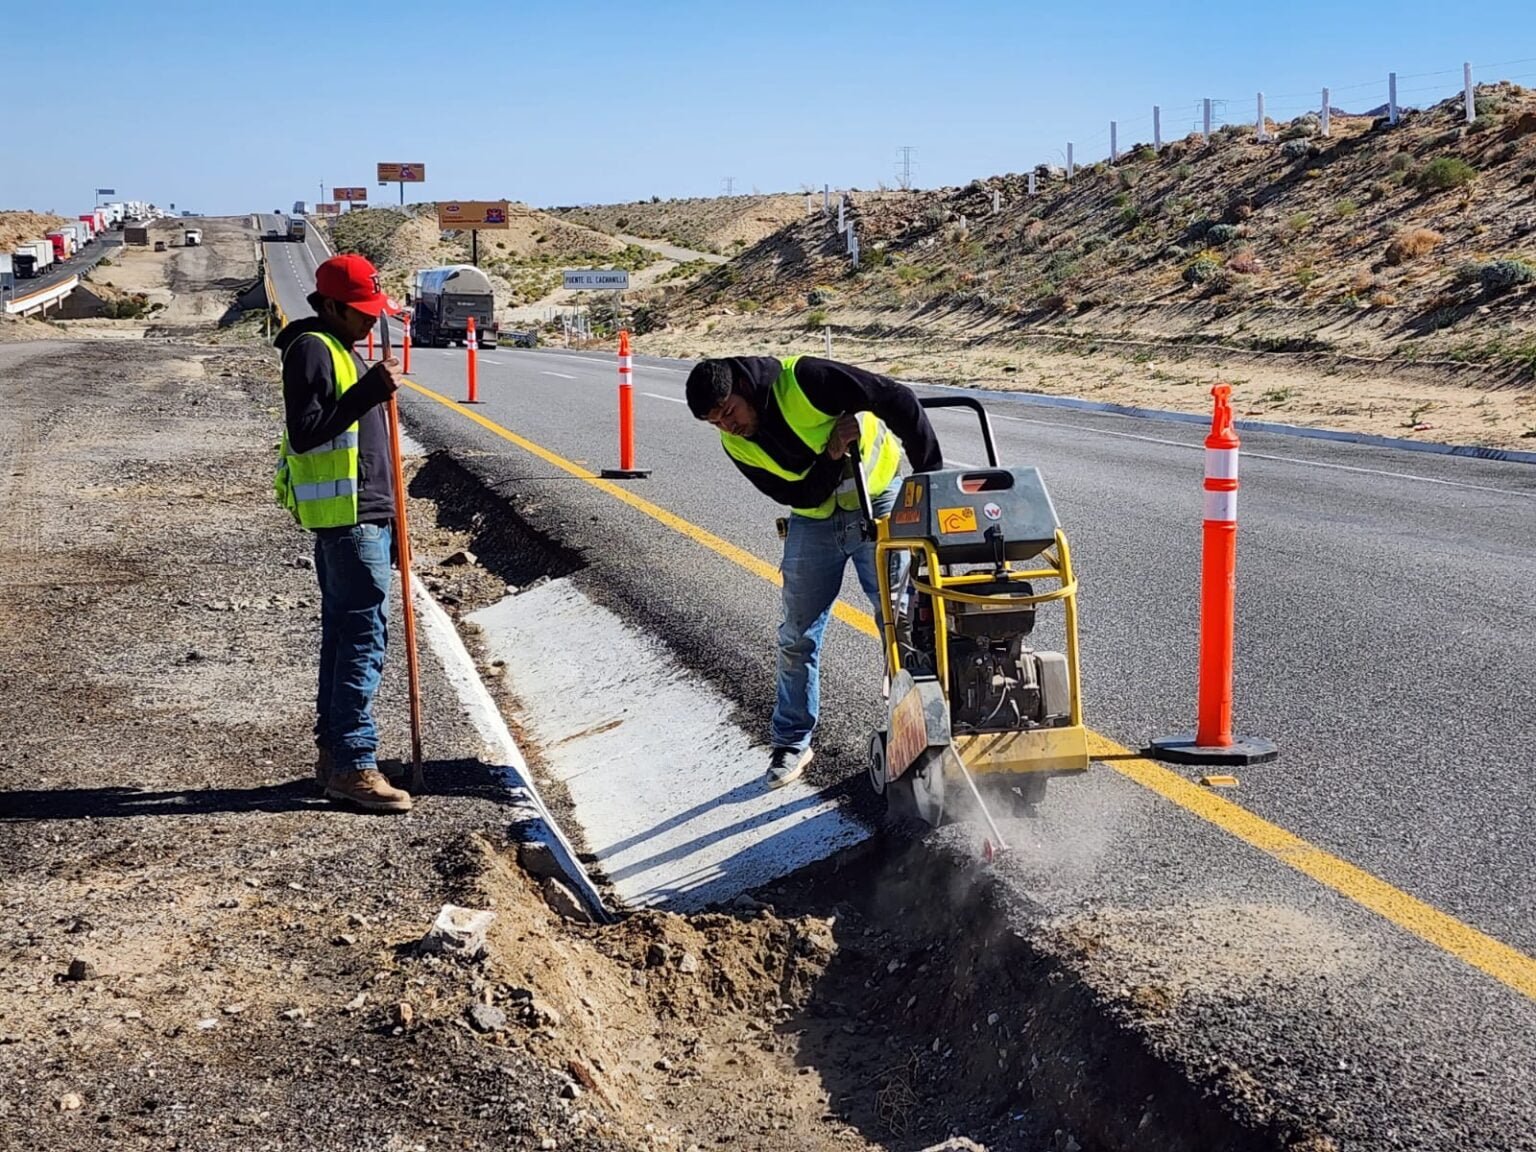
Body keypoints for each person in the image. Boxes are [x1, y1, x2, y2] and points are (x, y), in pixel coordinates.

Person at [685, 355, 943, 788]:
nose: (728, 427)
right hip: (815, 519)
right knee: (796, 634)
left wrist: (930, 481)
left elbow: (895, 397)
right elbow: (796, 492)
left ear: (744, 389)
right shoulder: (736, 444)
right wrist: (831, 454)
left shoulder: (805, 381)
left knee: (901, 626)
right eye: (715, 422)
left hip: (878, 502)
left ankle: (921, 737)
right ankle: (792, 742)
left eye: (729, 412)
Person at [273, 253, 412, 813]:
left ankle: (337, 757)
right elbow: (305, 434)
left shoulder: (343, 348)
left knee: (346, 637)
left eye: (374, 310)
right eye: (360, 312)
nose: (371, 321)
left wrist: (394, 518)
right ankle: (353, 763)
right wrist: (366, 394)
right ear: (329, 305)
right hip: (347, 521)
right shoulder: (313, 349)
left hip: (366, 516)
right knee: (361, 640)